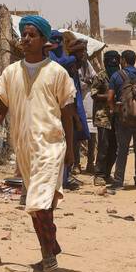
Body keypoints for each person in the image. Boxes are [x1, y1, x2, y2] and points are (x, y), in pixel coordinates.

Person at [0, 15, 78, 272]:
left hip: (51, 146)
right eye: (24, 35)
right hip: (24, 149)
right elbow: (1, 107)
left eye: (32, 35)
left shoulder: (57, 73)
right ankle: (51, 245)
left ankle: (48, 254)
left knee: (38, 201)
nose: (26, 39)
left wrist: (71, 151)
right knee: (36, 207)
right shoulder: (11, 73)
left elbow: (68, 115)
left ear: (44, 40)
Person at [48, 30, 89, 189]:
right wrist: (74, 57)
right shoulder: (49, 58)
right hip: (55, 107)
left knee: (69, 141)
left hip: (70, 104)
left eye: (60, 40)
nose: (57, 43)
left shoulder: (66, 59)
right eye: (54, 40)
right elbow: (58, 65)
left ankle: (65, 177)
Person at [106, 49, 136, 190]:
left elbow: (109, 98)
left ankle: (119, 180)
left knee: (122, 150)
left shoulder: (116, 76)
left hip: (123, 119)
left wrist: (115, 109)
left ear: (123, 60)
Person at [89, 50, 121, 180]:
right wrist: (109, 97)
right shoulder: (101, 76)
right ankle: (99, 174)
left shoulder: (120, 76)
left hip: (117, 116)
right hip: (103, 116)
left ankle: (107, 173)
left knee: (114, 147)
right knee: (103, 145)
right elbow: (94, 94)